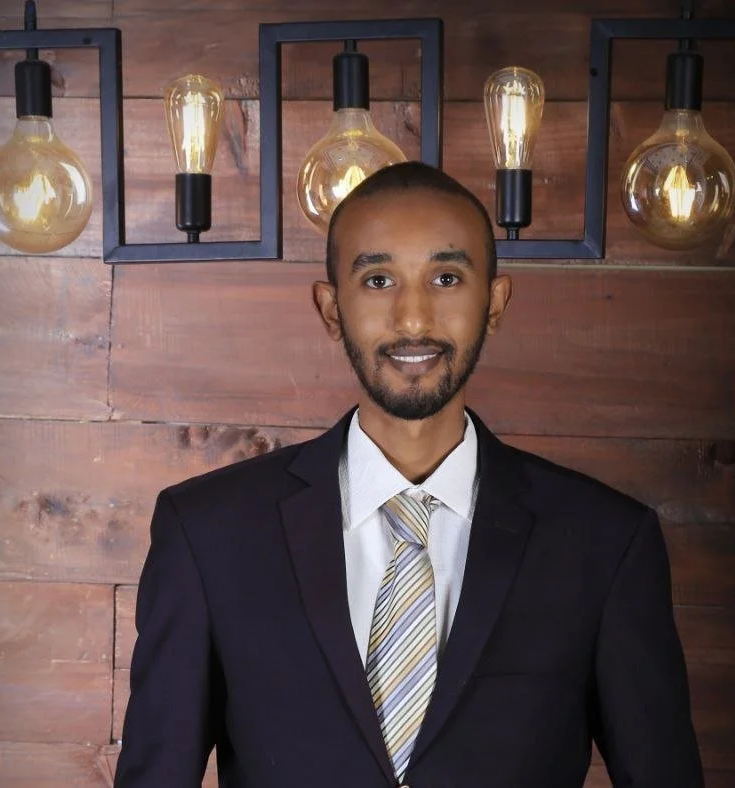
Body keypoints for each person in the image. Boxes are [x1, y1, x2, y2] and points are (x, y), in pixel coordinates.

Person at [115, 162, 703, 787]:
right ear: (331, 307)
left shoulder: (606, 544)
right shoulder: (208, 534)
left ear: (495, 303)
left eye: (446, 278)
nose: (414, 318)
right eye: (378, 279)